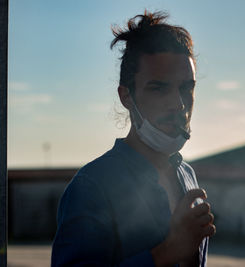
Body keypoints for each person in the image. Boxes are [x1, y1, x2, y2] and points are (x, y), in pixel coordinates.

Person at [51, 11, 215, 267]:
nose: (178, 104)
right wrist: (169, 250)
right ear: (126, 96)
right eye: (158, 88)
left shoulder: (187, 175)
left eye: (186, 88)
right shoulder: (91, 187)